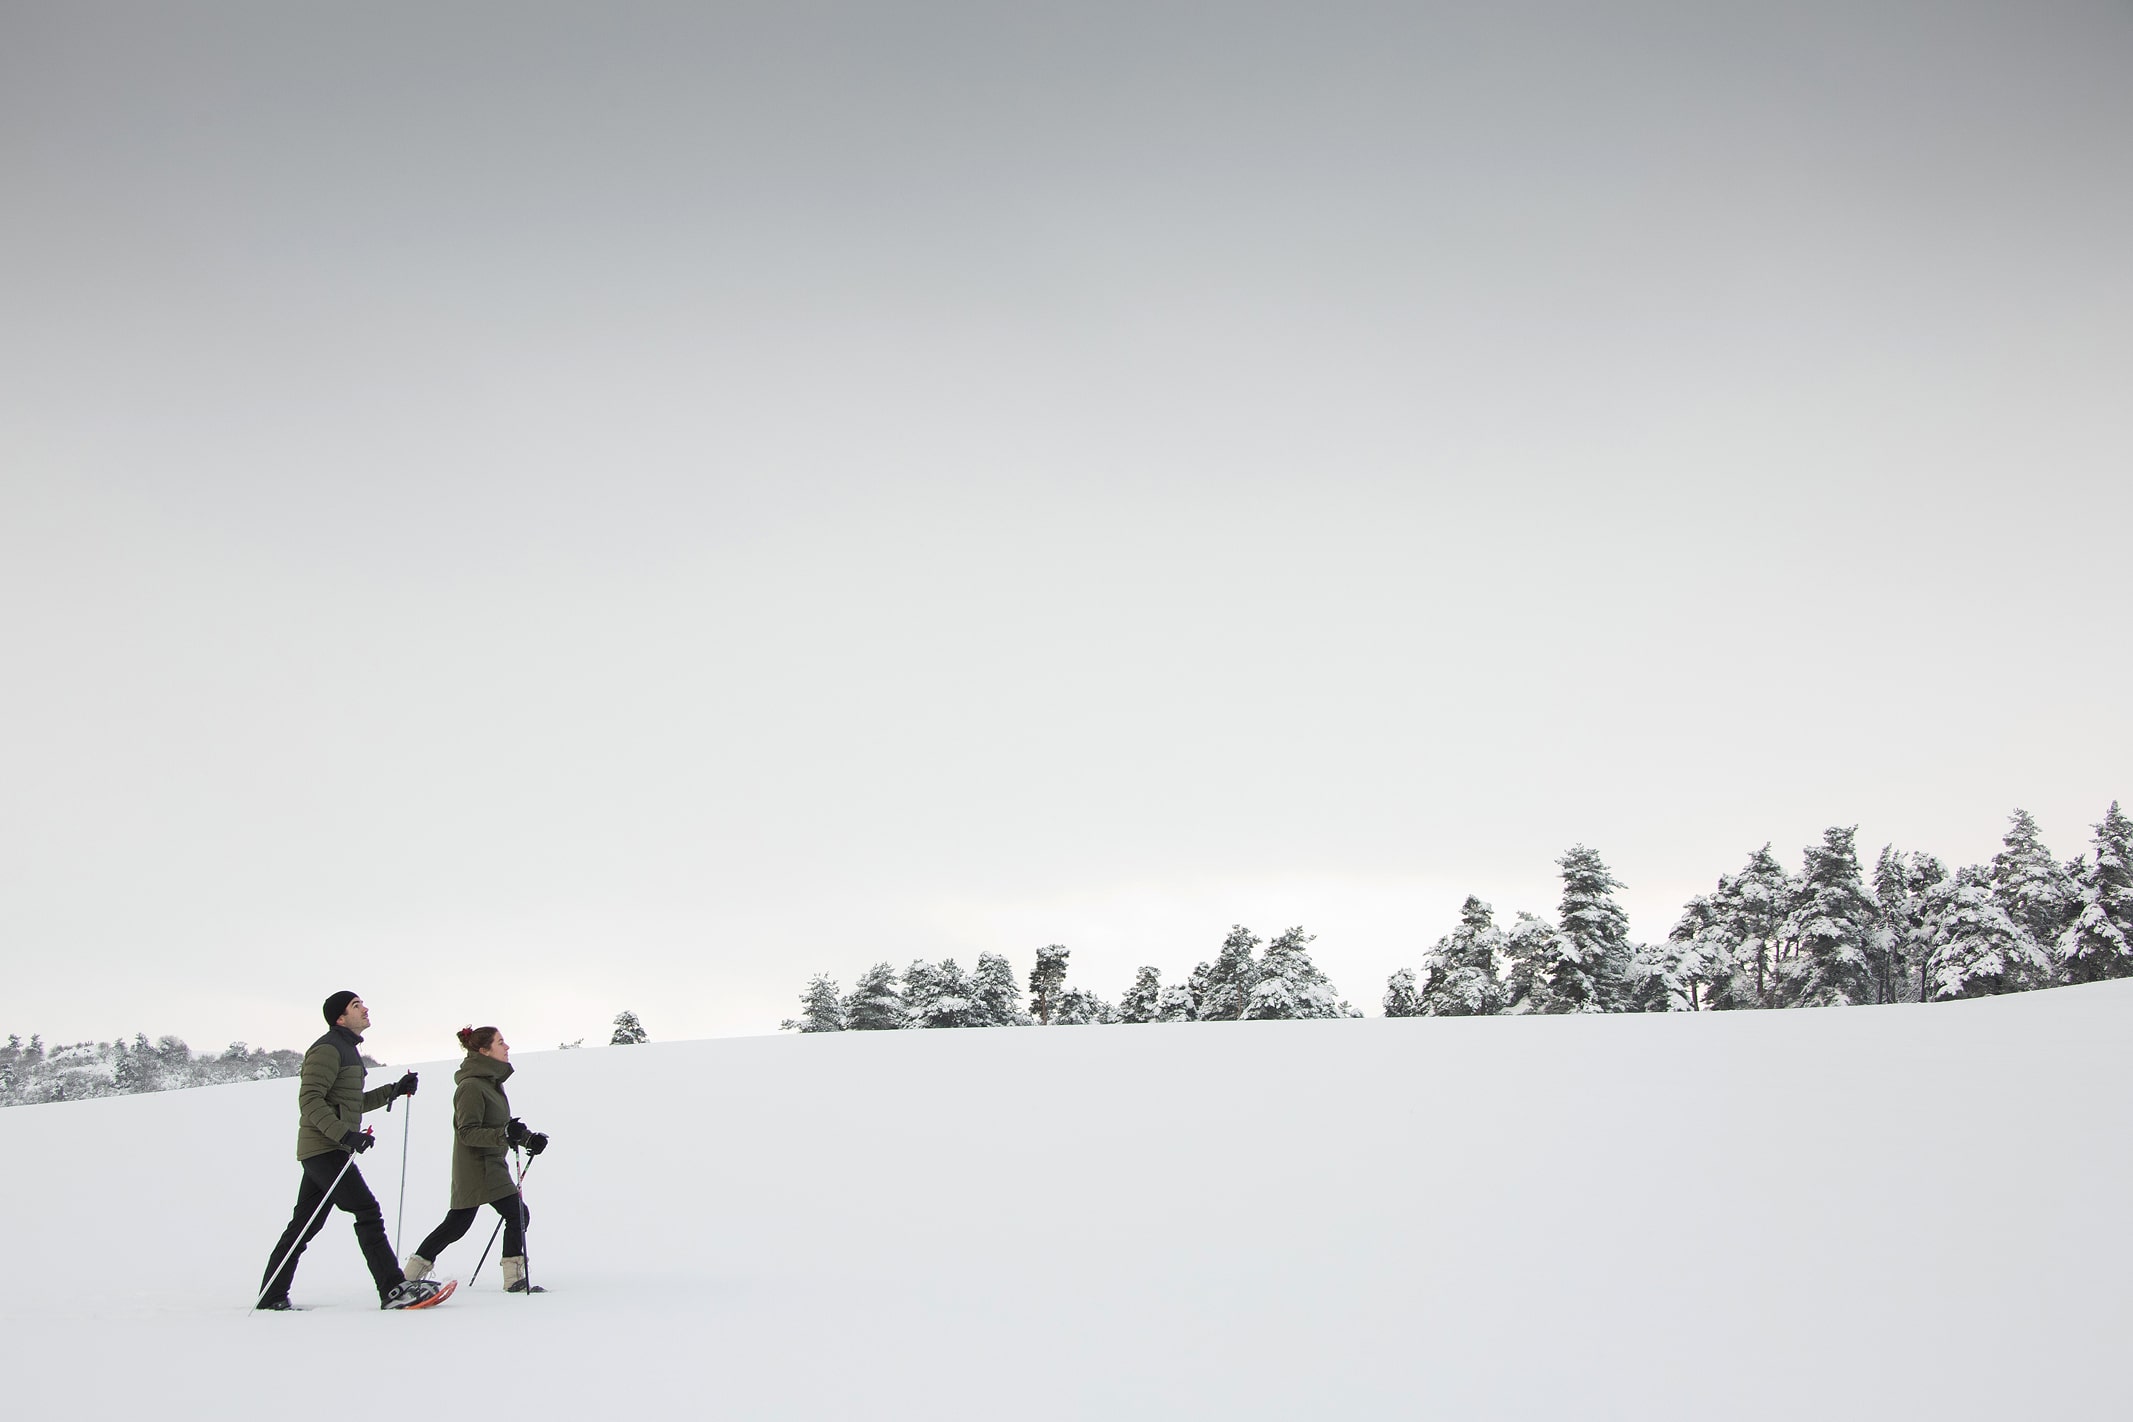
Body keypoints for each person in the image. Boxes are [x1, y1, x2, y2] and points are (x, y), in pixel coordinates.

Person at [257, 991, 446, 1310]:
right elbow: (310, 1101)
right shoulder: (328, 1049)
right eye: (356, 1005)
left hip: (327, 1148)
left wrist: (393, 1091)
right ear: (340, 1018)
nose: (365, 1008)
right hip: (324, 1149)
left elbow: (349, 1103)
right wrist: (345, 1134)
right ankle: (393, 1289)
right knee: (367, 1211)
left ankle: (271, 1295)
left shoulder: (346, 1049)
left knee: (304, 1225)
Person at [405, 1025, 549, 1293]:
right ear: (484, 1051)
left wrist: (527, 1138)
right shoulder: (471, 1087)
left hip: (492, 1164)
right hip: (475, 1167)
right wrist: (505, 1134)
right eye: (500, 1042)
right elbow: (468, 1132)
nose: (507, 1047)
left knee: (464, 1223)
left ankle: (412, 1274)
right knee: (479, 1221)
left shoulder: (490, 1084)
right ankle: (513, 1279)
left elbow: (502, 1126)